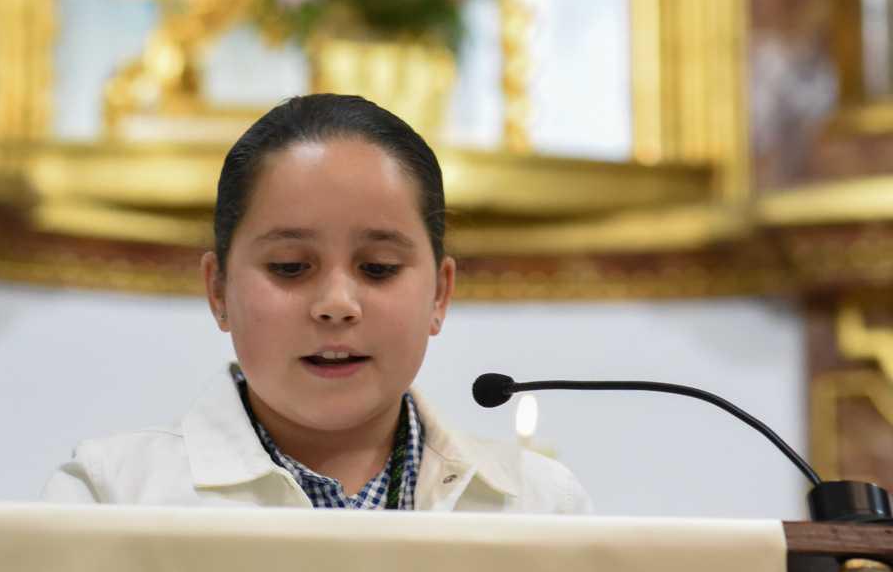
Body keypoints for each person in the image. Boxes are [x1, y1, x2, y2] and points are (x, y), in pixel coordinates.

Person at [45, 94, 589, 513]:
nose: (336, 304)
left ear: (440, 294)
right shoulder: (110, 495)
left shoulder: (538, 506)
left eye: (378, 268)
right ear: (218, 290)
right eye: (289, 268)